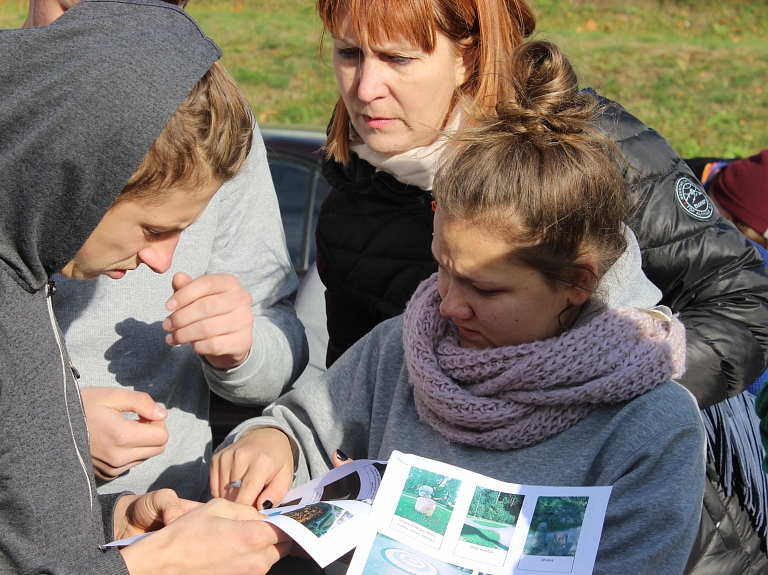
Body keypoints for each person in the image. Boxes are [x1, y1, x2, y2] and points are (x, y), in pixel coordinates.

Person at [211, 41, 706, 574]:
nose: (448, 306)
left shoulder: (651, 427)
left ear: (577, 280)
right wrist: (271, 441)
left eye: (484, 290)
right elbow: (304, 427)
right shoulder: (399, 349)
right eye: (441, 268)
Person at [313, 0, 768, 407]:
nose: (366, 87)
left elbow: (747, 304)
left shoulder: (592, 150)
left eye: (398, 58)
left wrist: (610, 400)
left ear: (467, 59)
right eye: (349, 53)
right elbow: (355, 400)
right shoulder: (349, 208)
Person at [0, 1, 289, 572]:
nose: (164, 262)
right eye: (154, 229)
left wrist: (115, 519)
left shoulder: (27, 281)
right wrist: (151, 566)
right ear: (82, 173)